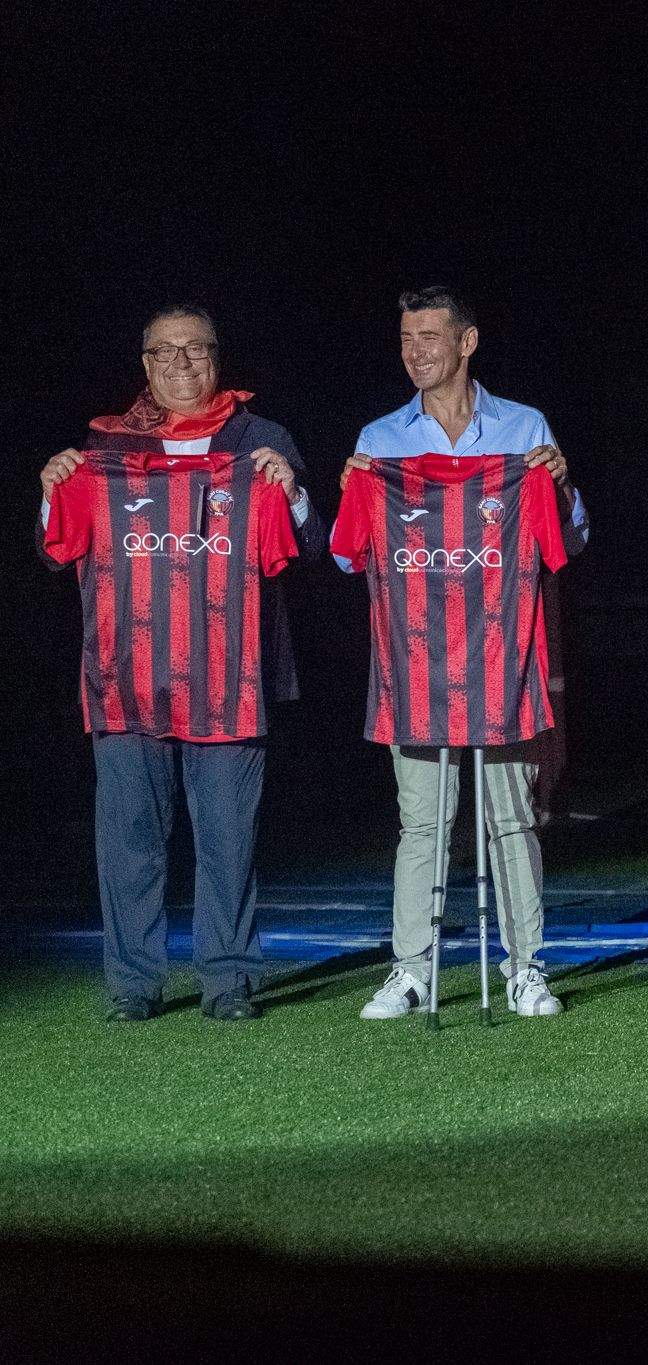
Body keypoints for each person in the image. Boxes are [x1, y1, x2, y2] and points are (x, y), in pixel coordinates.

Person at [38, 306, 322, 1021]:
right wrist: (53, 492)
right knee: (129, 841)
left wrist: (289, 492)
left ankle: (229, 980)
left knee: (228, 838)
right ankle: (134, 983)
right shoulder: (104, 447)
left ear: (218, 358)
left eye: (196, 350)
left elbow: (307, 545)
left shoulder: (261, 440)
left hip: (231, 680)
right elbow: (57, 548)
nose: (181, 364)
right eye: (164, 352)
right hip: (126, 679)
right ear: (144, 364)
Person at [345, 286, 590, 1022]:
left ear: (467, 342)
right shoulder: (380, 439)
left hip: (501, 660)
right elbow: (350, 558)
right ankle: (410, 969)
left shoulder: (523, 425)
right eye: (405, 338)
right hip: (415, 665)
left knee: (511, 819)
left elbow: (567, 545)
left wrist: (563, 485)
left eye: (428, 335)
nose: (415, 350)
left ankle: (526, 967)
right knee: (422, 823)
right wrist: (353, 494)